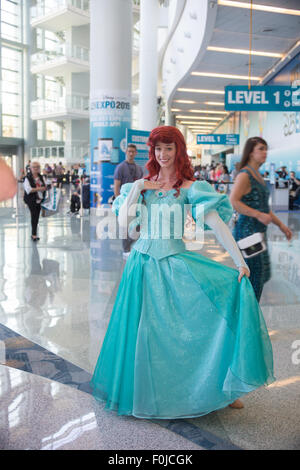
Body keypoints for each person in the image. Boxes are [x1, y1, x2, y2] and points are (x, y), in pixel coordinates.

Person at [90, 126, 275, 418]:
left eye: (169, 148)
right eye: (158, 149)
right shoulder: (140, 186)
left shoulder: (190, 187)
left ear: (179, 151)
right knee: (142, 335)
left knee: (182, 331)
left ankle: (217, 388)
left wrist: (239, 261)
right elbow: (125, 227)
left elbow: (216, 224)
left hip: (175, 264)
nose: (162, 155)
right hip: (140, 266)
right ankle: (144, 393)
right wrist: (138, 189)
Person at [230, 137, 292, 301]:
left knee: (262, 273)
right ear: (251, 152)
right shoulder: (245, 175)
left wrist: (281, 226)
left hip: (258, 234)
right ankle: (247, 315)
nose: (265, 152)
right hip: (248, 234)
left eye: (266, 149)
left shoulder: (257, 175)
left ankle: (250, 311)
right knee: (255, 276)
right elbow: (234, 201)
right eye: (261, 149)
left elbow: (264, 208)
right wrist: (257, 215)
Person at [113, 144, 143, 258]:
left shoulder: (139, 169)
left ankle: (133, 246)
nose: (131, 153)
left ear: (136, 153)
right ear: (126, 152)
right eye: (129, 151)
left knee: (137, 225)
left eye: (133, 152)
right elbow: (116, 185)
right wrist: (119, 202)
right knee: (125, 226)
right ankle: (126, 250)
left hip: (136, 202)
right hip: (124, 202)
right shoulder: (120, 167)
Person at [23, 161, 47, 241]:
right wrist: (40, 188)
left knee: (36, 216)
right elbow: (29, 190)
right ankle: (33, 234)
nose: (36, 168)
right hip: (31, 200)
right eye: (34, 167)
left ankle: (34, 234)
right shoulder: (27, 178)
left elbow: (45, 187)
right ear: (30, 168)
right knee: (34, 216)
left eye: (37, 167)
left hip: (39, 199)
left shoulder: (42, 177)